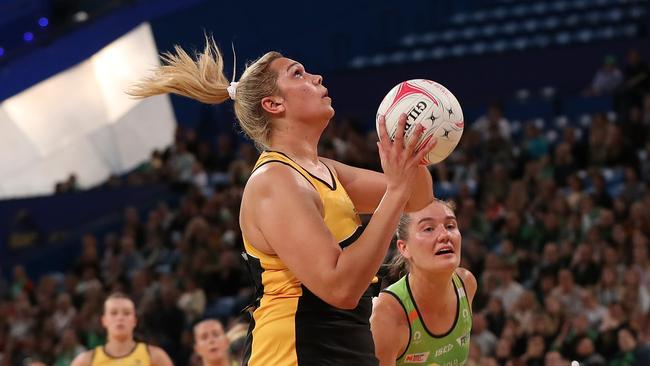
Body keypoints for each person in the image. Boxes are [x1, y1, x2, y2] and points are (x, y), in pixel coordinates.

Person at [129, 37, 437, 366]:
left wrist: (411, 146)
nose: (316, 78)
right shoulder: (275, 182)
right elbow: (340, 288)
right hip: (293, 353)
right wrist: (396, 190)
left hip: (344, 348)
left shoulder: (325, 171)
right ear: (274, 104)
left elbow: (419, 197)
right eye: (298, 74)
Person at [370, 200, 477, 366]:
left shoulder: (466, 283)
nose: (445, 235)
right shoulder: (387, 315)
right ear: (404, 248)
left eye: (450, 226)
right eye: (429, 228)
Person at [70, 292, 173, 366]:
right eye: (114, 313)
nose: (120, 318)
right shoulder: (86, 361)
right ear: (104, 321)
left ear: (134, 321)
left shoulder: (155, 357)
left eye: (127, 313)